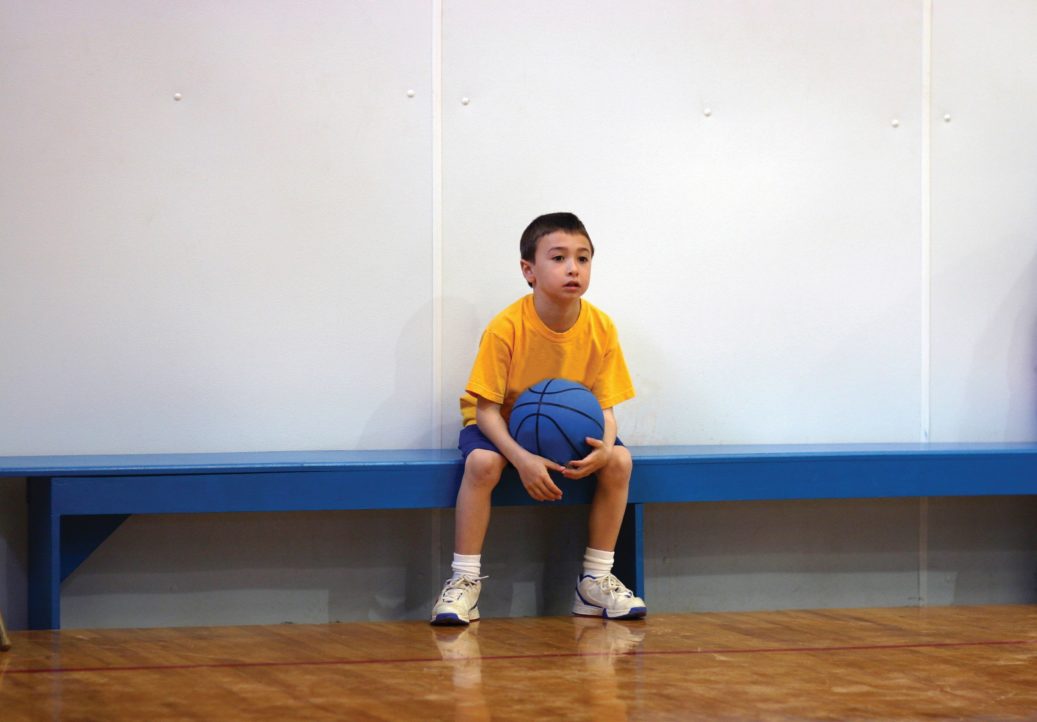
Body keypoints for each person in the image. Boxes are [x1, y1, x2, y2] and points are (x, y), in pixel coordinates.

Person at [431, 212, 647, 625]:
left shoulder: (601, 327)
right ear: (528, 270)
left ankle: (595, 581)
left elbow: (606, 407)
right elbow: (486, 410)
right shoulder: (506, 327)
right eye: (559, 257)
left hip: (567, 433)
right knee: (482, 462)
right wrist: (521, 459)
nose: (573, 268)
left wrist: (605, 446)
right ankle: (464, 583)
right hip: (504, 425)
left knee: (620, 460)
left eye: (583, 259)